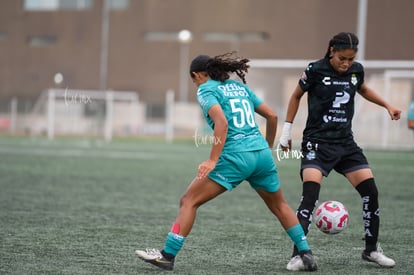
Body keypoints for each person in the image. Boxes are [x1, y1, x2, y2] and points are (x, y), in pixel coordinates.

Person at [135, 52, 317, 272]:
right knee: (280, 205)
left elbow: (221, 122)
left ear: (196, 75)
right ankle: (305, 252)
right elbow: (272, 116)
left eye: (193, 80)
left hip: (235, 157)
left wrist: (212, 160)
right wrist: (267, 149)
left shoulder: (206, 89)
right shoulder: (240, 88)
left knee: (188, 201)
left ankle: (167, 255)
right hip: (261, 155)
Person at [279, 32, 401, 271]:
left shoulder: (356, 70)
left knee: (371, 193)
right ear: (331, 50)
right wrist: (286, 132)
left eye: (350, 59)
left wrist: (388, 105)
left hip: (346, 145)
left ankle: (371, 250)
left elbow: (362, 89)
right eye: (342, 58)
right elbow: (295, 96)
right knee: (309, 196)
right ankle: (298, 255)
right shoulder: (315, 69)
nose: (346, 63)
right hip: (317, 143)